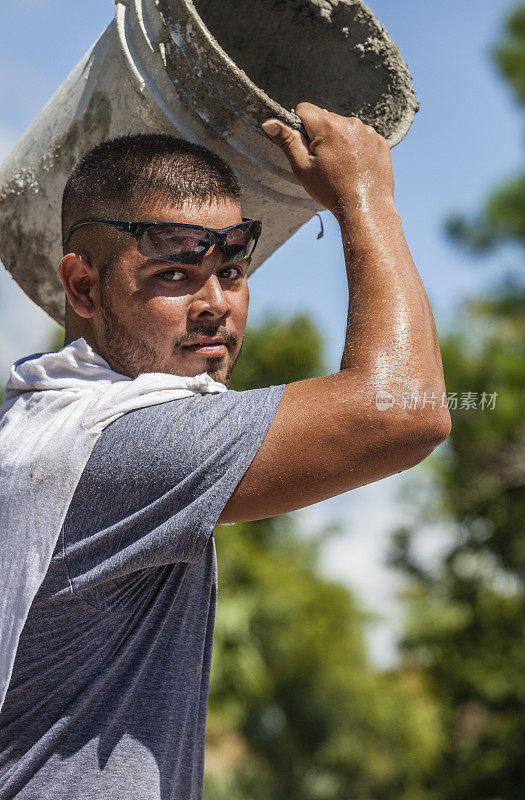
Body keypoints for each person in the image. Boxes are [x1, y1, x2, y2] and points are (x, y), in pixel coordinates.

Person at [0, 102, 451, 799]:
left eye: (233, 271)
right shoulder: (121, 444)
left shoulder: (33, 425)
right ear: (83, 286)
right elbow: (406, 410)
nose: (216, 304)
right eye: (174, 276)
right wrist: (367, 197)